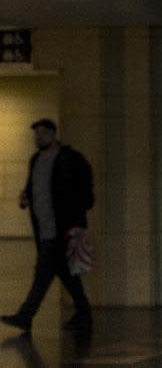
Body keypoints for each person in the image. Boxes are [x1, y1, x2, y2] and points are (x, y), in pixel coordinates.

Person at [1, 119, 94, 333]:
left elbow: (84, 193)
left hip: (62, 228)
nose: (38, 137)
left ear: (53, 134)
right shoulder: (35, 159)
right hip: (44, 228)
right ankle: (83, 313)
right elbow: (33, 187)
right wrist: (26, 198)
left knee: (44, 273)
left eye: (42, 133)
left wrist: (79, 223)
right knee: (63, 272)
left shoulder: (69, 159)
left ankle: (25, 316)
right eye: (36, 134)